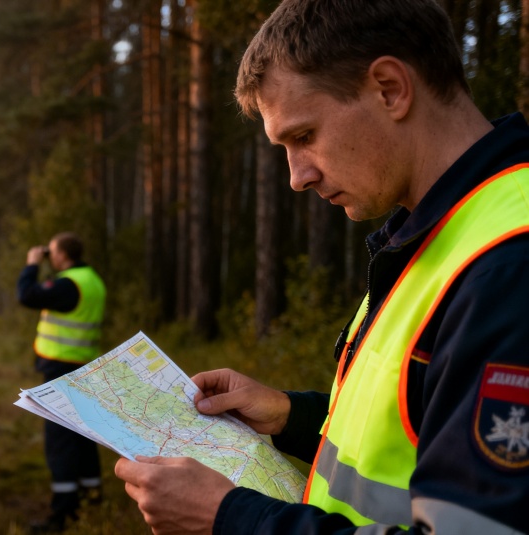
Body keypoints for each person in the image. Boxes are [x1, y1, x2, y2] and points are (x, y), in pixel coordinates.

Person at [114, 0, 529, 533]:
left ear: (390, 88)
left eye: (304, 136)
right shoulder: (438, 232)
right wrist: (292, 416)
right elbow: (421, 433)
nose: (297, 177)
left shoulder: (507, 266)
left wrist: (231, 518)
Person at [18, 231, 108, 533]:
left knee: (60, 441)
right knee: (83, 434)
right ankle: (92, 497)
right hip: (84, 365)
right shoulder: (92, 280)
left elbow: (27, 295)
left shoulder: (68, 284)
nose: (49, 257)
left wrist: (32, 264)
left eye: (51, 252)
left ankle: (63, 511)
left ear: (62, 255)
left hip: (61, 369)